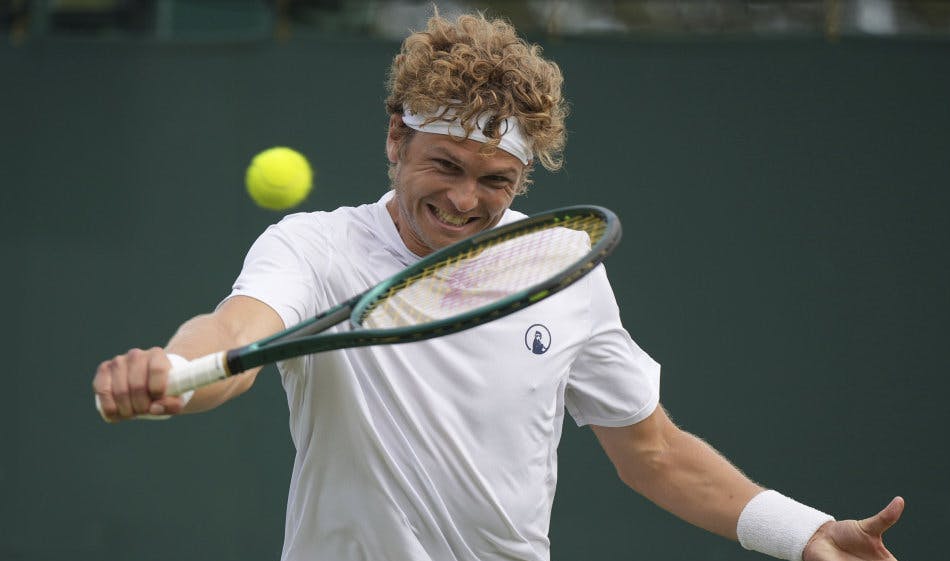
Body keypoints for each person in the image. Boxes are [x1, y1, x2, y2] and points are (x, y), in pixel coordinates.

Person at [92, 10, 904, 561]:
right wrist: (172, 371)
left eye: (497, 179)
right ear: (395, 137)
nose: (466, 200)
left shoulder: (560, 266)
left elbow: (652, 450)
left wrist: (801, 533)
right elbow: (236, 330)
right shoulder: (315, 247)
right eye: (444, 165)